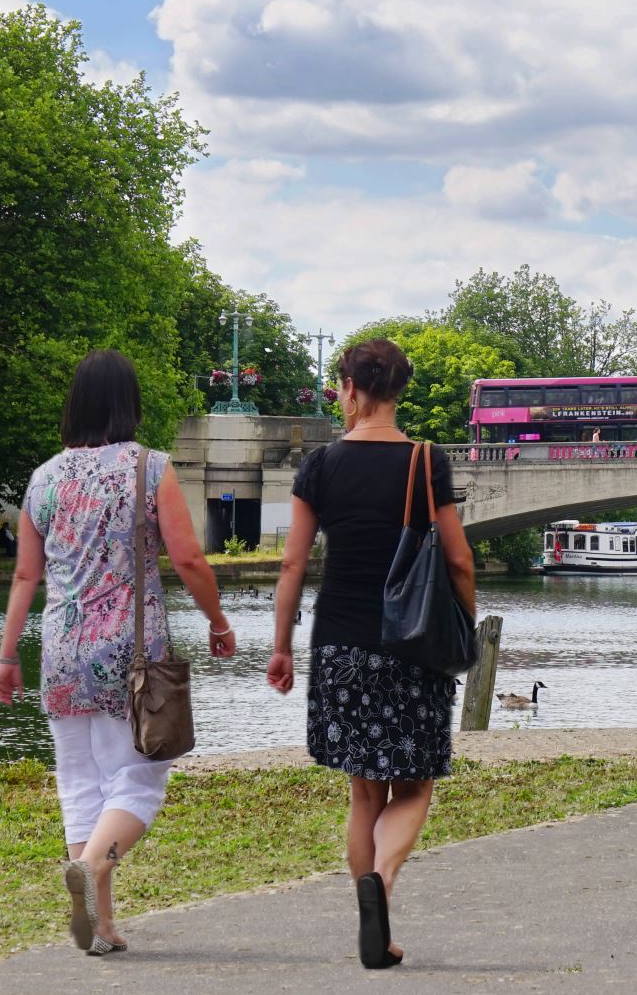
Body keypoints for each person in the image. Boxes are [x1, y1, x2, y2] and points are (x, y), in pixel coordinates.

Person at [0, 348, 235, 955]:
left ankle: (100, 926)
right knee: (141, 779)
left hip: (60, 651)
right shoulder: (149, 468)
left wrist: (6, 656)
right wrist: (218, 620)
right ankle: (92, 872)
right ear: (129, 403)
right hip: (132, 655)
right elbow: (186, 558)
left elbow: (25, 577)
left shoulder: (44, 477)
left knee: (79, 783)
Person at [269, 337, 476, 970]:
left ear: (352, 388)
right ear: (395, 389)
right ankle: (380, 886)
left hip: (340, 645)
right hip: (412, 646)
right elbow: (460, 559)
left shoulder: (321, 466)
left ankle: (375, 928)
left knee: (365, 796)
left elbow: (293, 563)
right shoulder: (423, 461)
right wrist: (462, 626)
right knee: (414, 785)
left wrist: (281, 648)